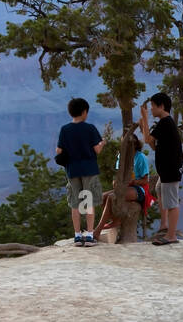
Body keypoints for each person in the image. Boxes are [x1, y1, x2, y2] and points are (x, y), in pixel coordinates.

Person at [56, 97, 104, 246]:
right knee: (88, 202)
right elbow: (97, 150)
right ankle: (89, 235)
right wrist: (102, 143)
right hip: (89, 169)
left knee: (75, 203)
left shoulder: (65, 129)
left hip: (72, 169)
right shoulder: (90, 128)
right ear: (84, 112)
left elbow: (59, 151)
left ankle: (77, 236)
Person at [139, 93, 183, 246]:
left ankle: (171, 236)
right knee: (159, 189)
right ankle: (164, 225)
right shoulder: (165, 123)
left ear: (161, 106)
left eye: (152, 106)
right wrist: (144, 125)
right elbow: (152, 145)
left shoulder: (165, 122)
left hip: (170, 170)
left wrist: (144, 118)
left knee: (172, 202)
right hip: (165, 171)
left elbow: (146, 140)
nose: (151, 109)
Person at [95, 142, 154, 239]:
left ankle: (98, 229)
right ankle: (115, 220)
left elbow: (145, 180)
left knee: (111, 197)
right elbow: (119, 174)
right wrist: (116, 181)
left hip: (139, 189)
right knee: (101, 197)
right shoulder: (121, 157)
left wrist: (133, 182)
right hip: (125, 187)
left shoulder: (140, 157)